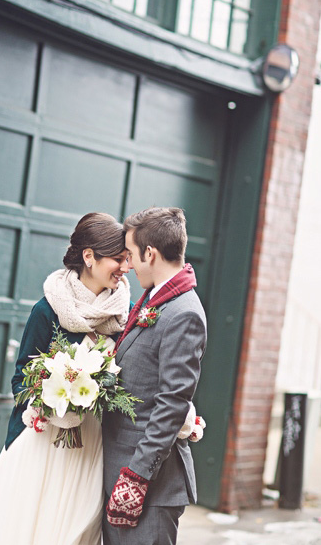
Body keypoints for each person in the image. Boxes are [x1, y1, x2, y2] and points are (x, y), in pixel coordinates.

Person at [0, 212, 130, 545]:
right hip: (42, 442)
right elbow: (21, 378)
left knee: (76, 529)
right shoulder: (48, 309)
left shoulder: (126, 313)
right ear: (89, 257)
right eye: (117, 259)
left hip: (93, 446)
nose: (125, 267)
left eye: (127, 259)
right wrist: (52, 404)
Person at [102, 207, 207, 545]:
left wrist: (135, 479)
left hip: (148, 486)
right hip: (119, 470)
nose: (128, 265)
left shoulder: (183, 313)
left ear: (150, 253)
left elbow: (173, 403)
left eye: (131, 254)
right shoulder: (155, 298)